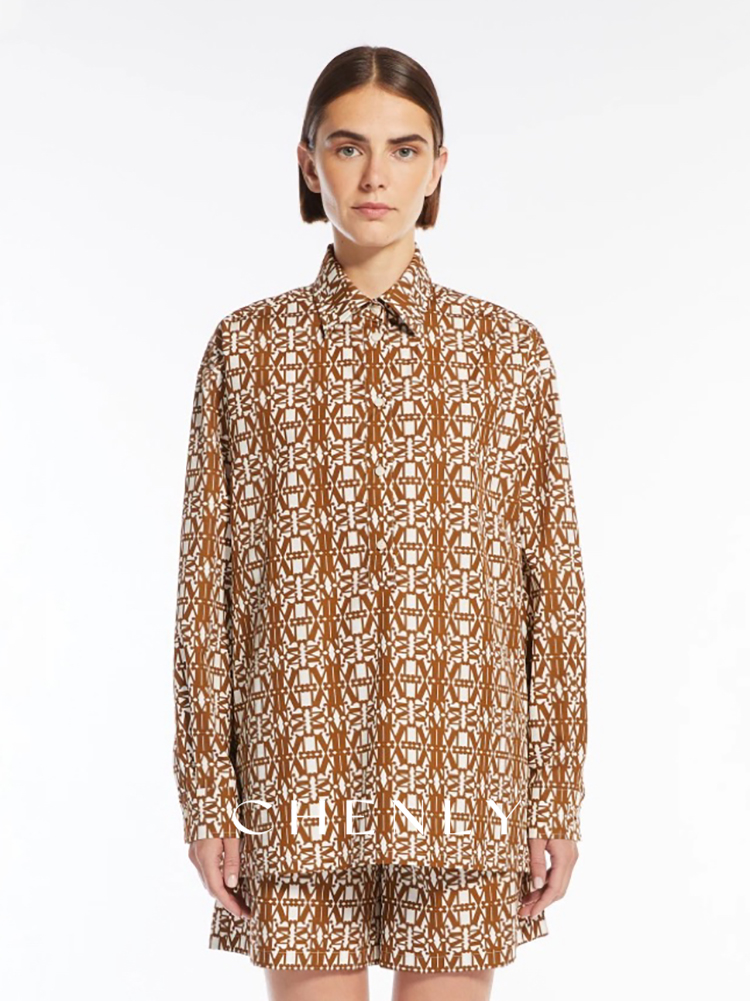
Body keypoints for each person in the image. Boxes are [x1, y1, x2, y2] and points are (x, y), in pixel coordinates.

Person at [172, 44, 587, 1001]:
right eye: (348, 146)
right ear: (308, 160)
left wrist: (556, 794)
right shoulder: (246, 349)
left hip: (465, 776)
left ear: (438, 168)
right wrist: (208, 793)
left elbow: (552, 588)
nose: (374, 176)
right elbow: (206, 588)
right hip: (296, 774)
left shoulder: (507, 353)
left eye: (405, 149)